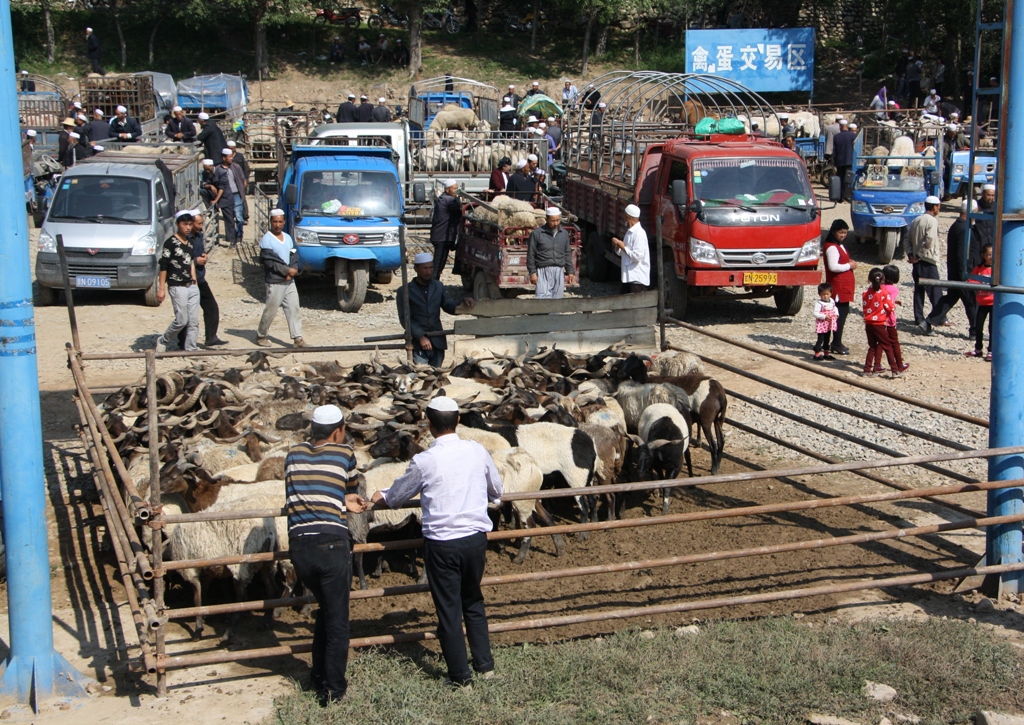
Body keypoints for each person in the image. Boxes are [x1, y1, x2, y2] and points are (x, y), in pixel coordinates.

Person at [371, 395, 502, 687]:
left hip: (442, 543)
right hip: (475, 540)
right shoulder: (477, 451)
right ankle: (485, 666)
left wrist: (381, 494)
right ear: (458, 420)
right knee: (473, 601)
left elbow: (397, 497)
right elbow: (497, 489)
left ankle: (460, 678)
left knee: (448, 609)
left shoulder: (424, 460)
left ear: (429, 424)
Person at [285, 404, 366, 706]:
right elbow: (352, 486)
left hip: (299, 547)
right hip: (331, 544)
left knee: (325, 609)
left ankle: (317, 674)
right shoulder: (344, 454)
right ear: (338, 431)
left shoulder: (292, 454)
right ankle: (334, 690)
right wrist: (346, 500)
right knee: (337, 620)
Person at [396, 253, 475, 366]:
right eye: (425, 268)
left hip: (437, 341)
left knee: (436, 376)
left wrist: (463, 303)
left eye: (431, 267)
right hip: (418, 343)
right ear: (416, 269)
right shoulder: (404, 291)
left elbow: (449, 306)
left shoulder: (438, 286)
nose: (429, 271)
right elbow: (405, 319)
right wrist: (420, 336)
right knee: (422, 374)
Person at [920, 199, 979, 335]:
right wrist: (966, 274)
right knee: (971, 301)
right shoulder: (964, 229)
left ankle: (928, 322)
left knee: (950, 299)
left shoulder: (956, 226)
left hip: (955, 272)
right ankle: (975, 331)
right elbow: (962, 255)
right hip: (962, 273)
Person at [175, 210, 225, 349]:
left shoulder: (198, 236)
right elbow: (181, 260)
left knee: (211, 307)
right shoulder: (184, 240)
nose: (201, 226)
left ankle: (211, 337)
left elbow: (199, 252)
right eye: (199, 223)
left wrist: (203, 256)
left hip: (200, 279)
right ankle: (182, 342)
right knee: (186, 314)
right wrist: (196, 261)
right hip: (187, 281)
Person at [257, 209, 305, 348]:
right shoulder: (266, 240)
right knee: (271, 310)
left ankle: (298, 338)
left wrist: (293, 269)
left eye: (280, 221)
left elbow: (293, 254)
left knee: (293, 308)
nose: (277, 224)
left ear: (284, 222)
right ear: (271, 222)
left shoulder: (287, 237)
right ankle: (261, 335)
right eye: (275, 222)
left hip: (289, 281)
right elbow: (270, 262)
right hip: (275, 281)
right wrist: (286, 271)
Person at [154, 210, 200, 352]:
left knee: (194, 321)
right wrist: (161, 288)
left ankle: (190, 348)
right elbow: (164, 266)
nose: (187, 228)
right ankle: (163, 340)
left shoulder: (190, 242)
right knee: (181, 320)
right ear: (178, 224)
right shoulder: (171, 243)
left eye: (190, 224)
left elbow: (190, 262)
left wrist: (195, 281)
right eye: (184, 224)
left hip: (191, 285)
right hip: (177, 285)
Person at [906, 195, 942, 327]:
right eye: (938, 206)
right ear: (934, 207)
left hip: (917, 262)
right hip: (927, 260)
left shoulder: (916, 220)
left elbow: (907, 239)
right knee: (935, 290)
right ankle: (940, 317)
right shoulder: (932, 221)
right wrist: (919, 255)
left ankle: (918, 317)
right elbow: (929, 241)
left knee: (919, 290)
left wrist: (911, 254)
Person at [823, 219, 857, 355]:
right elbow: (833, 266)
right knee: (838, 317)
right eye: (840, 232)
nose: (843, 235)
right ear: (833, 232)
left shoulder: (839, 245)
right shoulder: (831, 247)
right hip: (838, 288)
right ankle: (835, 343)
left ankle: (836, 342)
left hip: (844, 288)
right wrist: (849, 266)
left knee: (841, 316)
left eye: (845, 232)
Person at [528, 207, 574, 299]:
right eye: (553, 221)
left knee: (557, 299)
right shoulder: (537, 234)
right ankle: (543, 314)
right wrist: (532, 272)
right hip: (542, 270)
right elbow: (531, 254)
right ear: (546, 219)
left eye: (558, 220)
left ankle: (555, 314)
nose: (556, 223)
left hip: (559, 270)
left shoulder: (564, 234)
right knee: (543, 298)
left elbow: (567, 253)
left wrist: (570, 271)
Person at [863, 268, 900, 377]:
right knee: (887, 346)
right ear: (883, 280)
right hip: (879, 323)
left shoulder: (865, 292)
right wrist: (893, 305)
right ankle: (894, 370)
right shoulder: (883, 293)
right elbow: (890, 307)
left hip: (868, 323)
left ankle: (867, 370)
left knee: (872, 347)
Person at [611, 204, 650, 294]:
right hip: (628, 277)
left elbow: (637, 256)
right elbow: (624, 253)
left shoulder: (639, 234)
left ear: (628, 216)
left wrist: (623, 246)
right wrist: (618, 246)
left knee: (635, 306)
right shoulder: (630, 232)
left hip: (637, 278)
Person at [429, 180, 462, 279]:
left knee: (440, 264)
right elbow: (461, 208)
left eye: (457, 188)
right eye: (454, 188)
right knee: (437, 264)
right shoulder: (448, 200)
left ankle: (434, 284)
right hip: (442, 236)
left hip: (443, 236)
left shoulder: (444, 198)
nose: (457, 190)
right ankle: (431, 285)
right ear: (447, 190)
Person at [966, 244, 994, 360]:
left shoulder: (996, 269)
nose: (990, 257)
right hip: (982, 303)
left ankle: (991, 351)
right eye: (988, 254)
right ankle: (978, 349)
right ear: (983, 255)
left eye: (993, 254)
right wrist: (980, 284)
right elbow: (971, 280)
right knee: (978, 327)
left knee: (992, 328)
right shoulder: (979, 267)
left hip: (993, 303)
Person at [880, 265, 909, 373]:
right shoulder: (893, 289)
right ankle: (898, 365)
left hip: (878, 319)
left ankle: (875, 365)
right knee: (894, 342)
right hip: (888, 319)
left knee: (879, 343)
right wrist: (893, 305)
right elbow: (888, 303)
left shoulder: (879, 286)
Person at [213, 149, 245, 245]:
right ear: (224, 158)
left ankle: (239, 234)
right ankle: (232, 239)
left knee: (239, 218)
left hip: (236, 195)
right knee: (229, 219)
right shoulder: (218, 169)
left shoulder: (236, 167)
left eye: (232, 157)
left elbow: (242, 178)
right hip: (225, 197)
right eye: (229, 157)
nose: (231, 158)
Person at [812, 282, 839, 360]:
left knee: (827, 338)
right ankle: (816, 353)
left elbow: (835, 308)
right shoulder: (819, 303)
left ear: (831, 293)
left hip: (829, 324)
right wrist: (824, 316)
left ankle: (826, 353)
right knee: (820, 339)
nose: (825, 296)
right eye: (823, 294)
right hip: (822, 324)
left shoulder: (832, 301)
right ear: (819, 294)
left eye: (827, 294)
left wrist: (836, 314)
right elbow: (815, 313)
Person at [832, 119, 856, 201]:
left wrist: (834, 162)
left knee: (840, 179)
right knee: (848, 179)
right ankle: (847, 195)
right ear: (847, 126)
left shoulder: (836, 137)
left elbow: (834, 151)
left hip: (839, 161)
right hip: (849, 160)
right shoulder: (853, 136)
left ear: (840, 127)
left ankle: (840, 197)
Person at [974, 183, 996, 251]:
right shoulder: (976, 205)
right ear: (983, 193)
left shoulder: (996, 207)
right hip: (979, 242)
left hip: (993, 243)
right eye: (988, 195)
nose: (991, 198)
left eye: (992, 195)